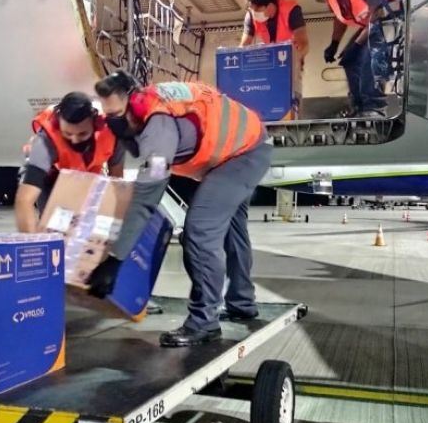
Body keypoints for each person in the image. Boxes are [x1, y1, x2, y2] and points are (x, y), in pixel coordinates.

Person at [86, 71, 272, 347]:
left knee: (199, 231)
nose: (114, 122)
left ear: (134, 103)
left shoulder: (158, 125)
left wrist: (115, 259)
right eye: (108, 116)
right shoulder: (142, 111)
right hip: (245, 145)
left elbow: (146, 197)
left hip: (243, 154)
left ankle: (204, 323)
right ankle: (242, 302)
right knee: (233, 230)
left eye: (117, 115)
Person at [15, 92, 124, 233]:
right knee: (53, 227)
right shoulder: (46, 141)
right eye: (68, 134)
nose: (75, 140)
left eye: (82, 134)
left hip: (90, 175)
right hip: (53, 176)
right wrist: (32, 243)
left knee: (93, 227)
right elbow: (25, 200)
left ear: (94, 123)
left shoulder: (112, 131)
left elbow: (117, 182)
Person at [315, 0, 393, 117]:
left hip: (389, 20)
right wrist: (334, 44)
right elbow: (340, 15)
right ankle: (358, 107)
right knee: (348, 61)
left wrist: (357, 45)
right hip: (370, 25)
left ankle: (374, 107)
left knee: (367, 57)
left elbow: (378, 13)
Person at [240, 0, 309, 59]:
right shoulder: (251, 15)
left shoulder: (291, 10)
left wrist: (296, 59)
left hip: (290, 55)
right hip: (271, 58)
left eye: (257, 10)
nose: (254, 13)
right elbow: (243, 47)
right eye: (252, 10)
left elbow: (303, 43)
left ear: (270, 6)